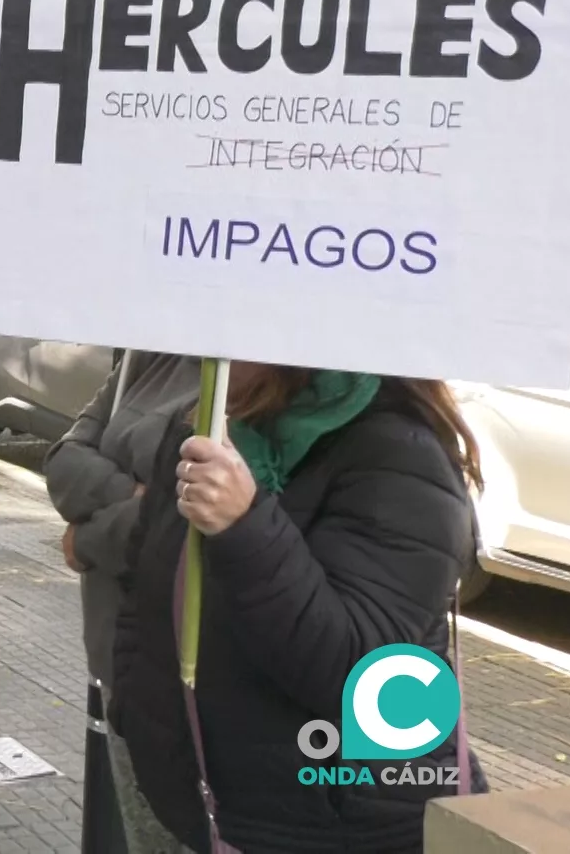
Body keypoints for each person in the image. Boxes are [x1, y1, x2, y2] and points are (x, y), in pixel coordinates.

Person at [112, 364, 488, 853]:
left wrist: (244, 525)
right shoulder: (207, 427)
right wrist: (135, 711)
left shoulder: (401, 452)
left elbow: (358, 674)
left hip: (348, 827)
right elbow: (144, 585)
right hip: (216, 808)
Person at [45, 351, 201, 851]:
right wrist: (138, 493)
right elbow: (64, 462)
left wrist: (85, 540)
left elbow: (189, 523)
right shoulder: (147, 358)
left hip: (189, 686)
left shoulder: (245, 377)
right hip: (119, 667)